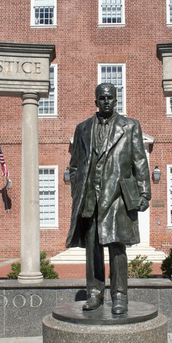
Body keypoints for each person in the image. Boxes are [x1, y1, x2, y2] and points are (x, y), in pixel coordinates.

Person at [65, 83, 151, 315]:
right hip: (90, 197)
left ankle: (120, 296)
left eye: (110, 98)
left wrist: (144, 193)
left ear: (116, 100)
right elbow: (73, 165)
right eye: (101, 98)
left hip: (117, 197)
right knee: (92, 248)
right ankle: (94, 293)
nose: (106, 102)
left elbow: (140, 161)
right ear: (95, 101)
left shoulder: (130, 126)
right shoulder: (82, 128)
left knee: (116, 247)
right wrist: (78, 188)